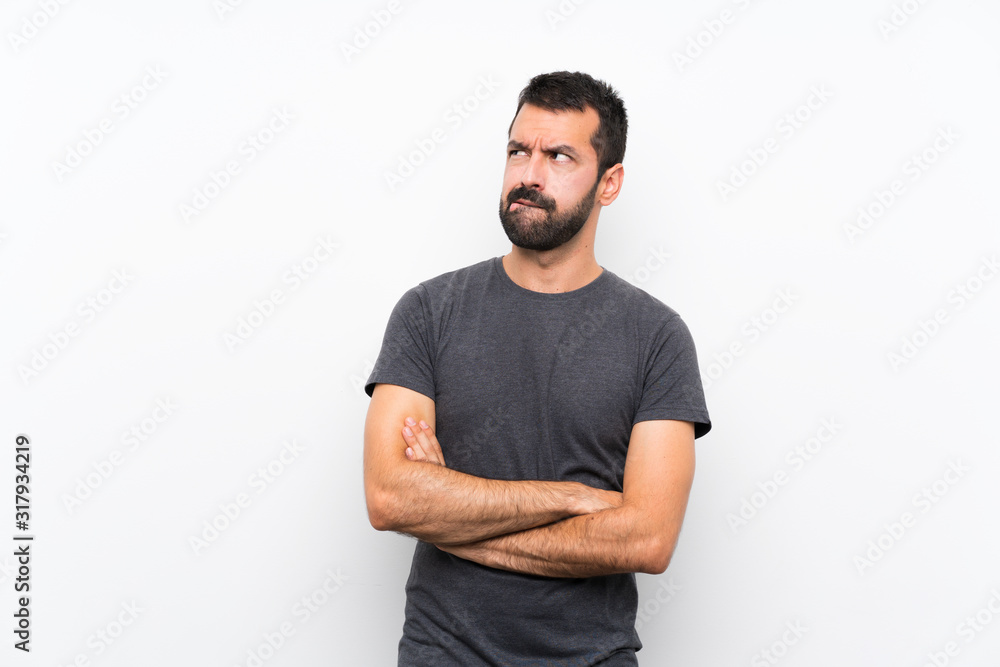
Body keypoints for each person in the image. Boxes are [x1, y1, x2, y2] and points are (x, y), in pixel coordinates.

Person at [363, 70, 711, 666]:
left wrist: (452, 516)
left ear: (610, 183)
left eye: (559, 156)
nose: (529, 174)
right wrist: (577, 498)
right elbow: (390, 498)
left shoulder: (658, 338)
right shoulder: (428, 312)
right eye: (517, 151)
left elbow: (648, 538)